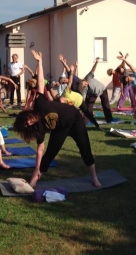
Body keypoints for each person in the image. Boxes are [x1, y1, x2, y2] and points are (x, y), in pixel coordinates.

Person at [12, 50, 101, 188]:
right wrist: (36, 167)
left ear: (27, 115)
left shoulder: (39, 104)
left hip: (75, 119)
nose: (29, 122)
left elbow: (41, 82)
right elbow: (40, 149)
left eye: (27, 120)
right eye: (27, 125)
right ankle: (35, 178)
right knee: (50, 153)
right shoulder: (38, 129)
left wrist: (39, 62)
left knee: (85, 148)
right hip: (60, 129)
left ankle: (94, 178)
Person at [60, 64, 101, 129]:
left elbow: (70, 78)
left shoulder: (66, 91)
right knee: (74, 116)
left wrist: (72, 70)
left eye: (65, 80)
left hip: (80, 100)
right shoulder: (63, 103)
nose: (65, 81)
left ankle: (98, 126)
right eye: (64, 81)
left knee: (87, 113)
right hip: (76, 104)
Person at [78, 57, 114, 123]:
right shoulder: (84, 89)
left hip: (103, 89)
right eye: (84, 86)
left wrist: (96, 62)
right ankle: (86, 120)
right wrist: (82, 107)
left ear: (83, 80)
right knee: (89, 107)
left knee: (106, 104)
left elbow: (93, 70)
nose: (86, 84)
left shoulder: (87, 77)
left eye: (84, 83)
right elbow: (83, 98)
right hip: (93, 94)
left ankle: (109, 119)